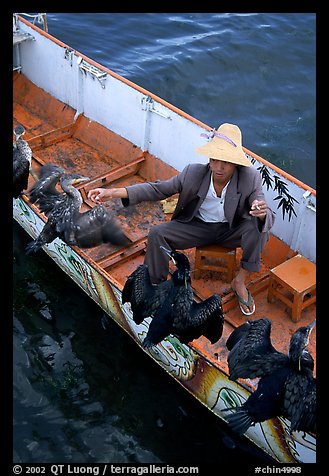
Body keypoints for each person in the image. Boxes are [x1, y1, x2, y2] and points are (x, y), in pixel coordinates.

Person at [88, 123, 275, 316]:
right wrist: (112, 192)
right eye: (215, 159)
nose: (219, 167)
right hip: (198, 227)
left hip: (231, 229)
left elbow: (261, 204)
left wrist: (260, 212)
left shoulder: (250, 178)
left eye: (226, 161)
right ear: (209, 159)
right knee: (157, 234)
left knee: (259, 226)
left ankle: (240, 281)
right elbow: (158, 189)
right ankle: (155, 283)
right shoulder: (193, 173)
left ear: (235, 163)